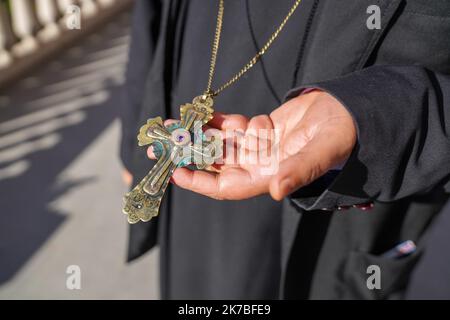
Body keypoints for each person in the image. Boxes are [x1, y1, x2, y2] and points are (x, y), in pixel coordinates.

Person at [119, 0, 450, 299]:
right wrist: (134, 127)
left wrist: (376, 117)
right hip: (207, 148)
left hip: (339, 193)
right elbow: (153, 11)